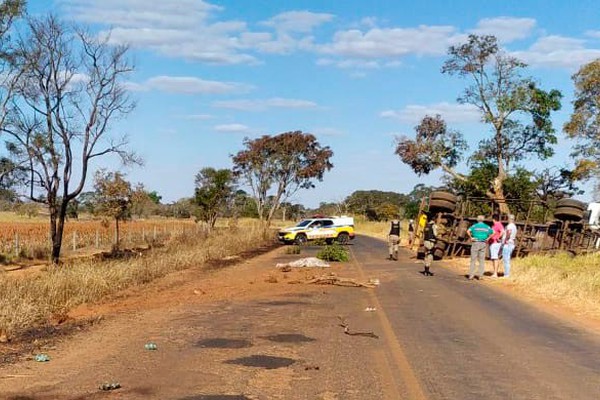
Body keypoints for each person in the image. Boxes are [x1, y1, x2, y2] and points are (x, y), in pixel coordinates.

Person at [467, 215, 493, 280]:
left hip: (475, 242)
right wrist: (488, 238)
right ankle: (480, 275)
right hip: (483, 243)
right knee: (481, 260)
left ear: (477, 220)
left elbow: (468, 231)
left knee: (473, 260)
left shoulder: (474, 226)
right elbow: (493, 232)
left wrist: (471, 237)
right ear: (483, 220)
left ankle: (471, 275)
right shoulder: (487, 227)